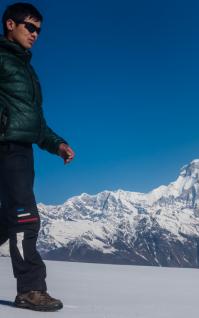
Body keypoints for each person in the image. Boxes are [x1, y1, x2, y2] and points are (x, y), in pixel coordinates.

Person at [0, 2, 75, 312]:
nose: (35, 34)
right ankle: (30, 289)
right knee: (25, 217)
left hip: (22, 150)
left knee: (8, 220)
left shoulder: (27, 71)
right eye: (29, 27)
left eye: (38, 30)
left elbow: (36, 122)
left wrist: (57, 144)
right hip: (5, 148)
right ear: (9, 25)